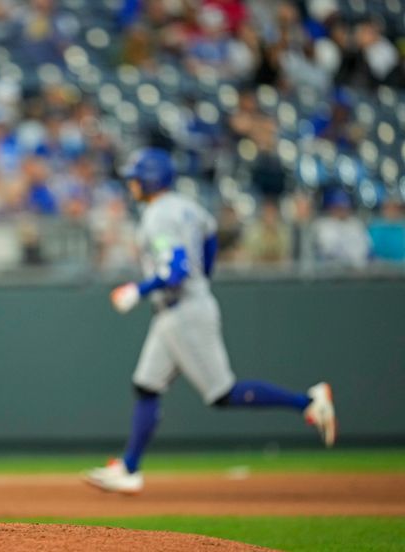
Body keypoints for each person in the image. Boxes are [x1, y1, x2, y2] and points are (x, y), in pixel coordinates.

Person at [84, 148, 336, 495]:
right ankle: (129, 468)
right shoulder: (189, 207)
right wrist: (201, 279)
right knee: (146, 386)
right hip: (180, 308)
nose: (131, 182)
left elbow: (175, 270)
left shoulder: (157, 214)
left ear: (150, 178)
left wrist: (136, 290)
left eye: (135, 176)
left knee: (223, 394)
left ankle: (308, 403)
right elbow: (209, 239)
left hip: (183, 310)